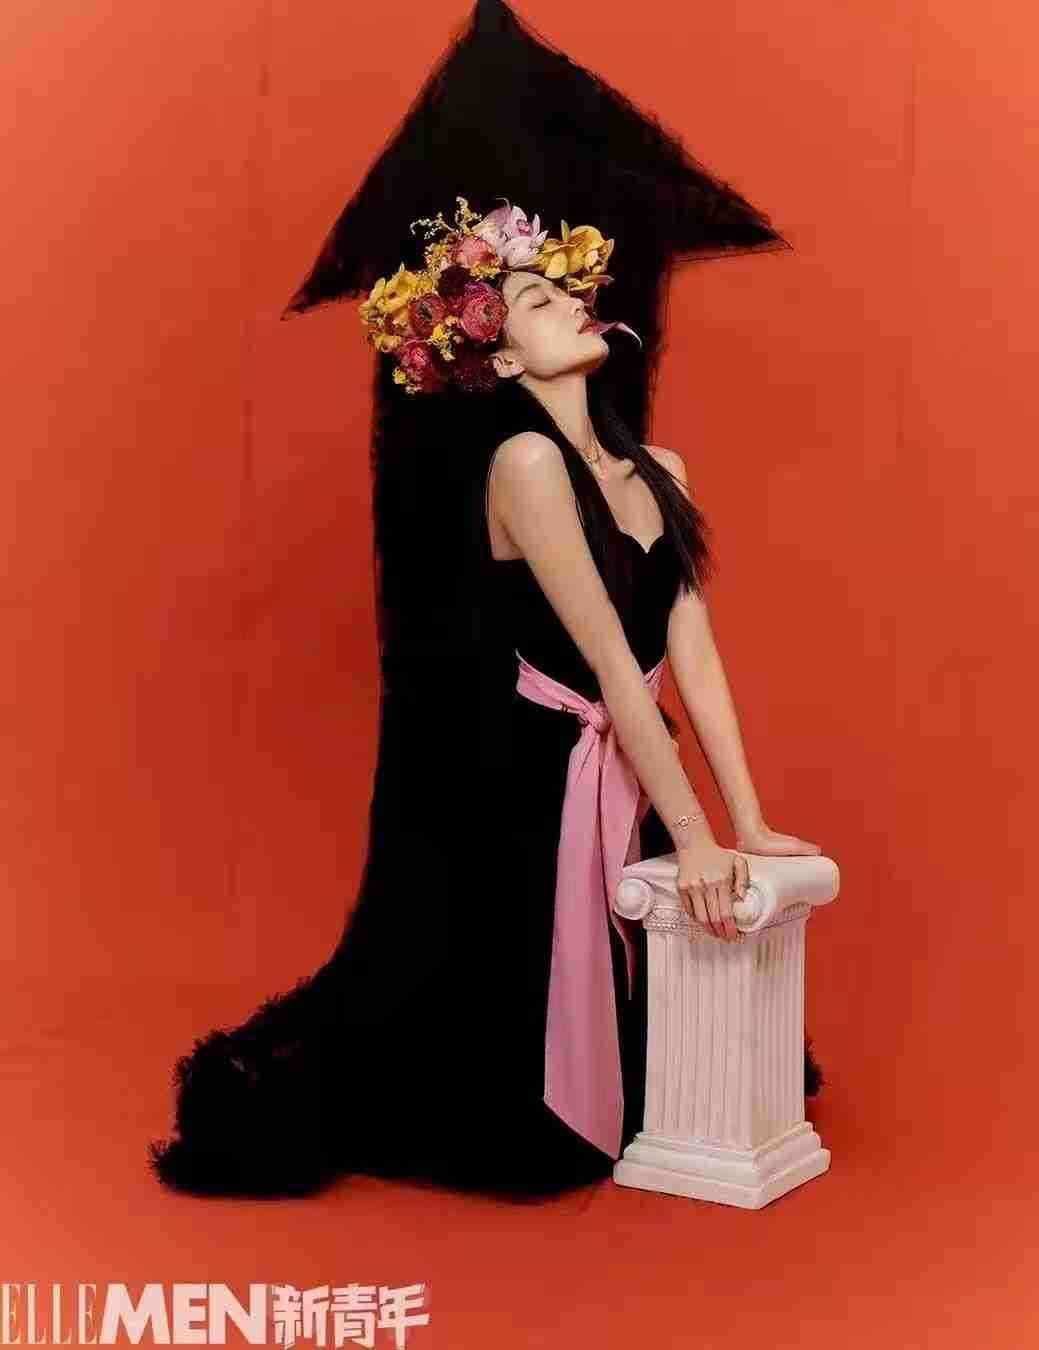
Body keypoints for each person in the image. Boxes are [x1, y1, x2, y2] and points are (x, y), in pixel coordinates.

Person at [147, 0, 825, 1201]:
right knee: (527, 1107)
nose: (569, 300)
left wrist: (749, 820)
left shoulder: (661, 471)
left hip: (629, 754)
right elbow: (608, 666)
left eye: (567, 289)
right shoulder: (522, 465)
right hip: (526, 775)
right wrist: (695, 835)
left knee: (683, 1013)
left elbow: (691, 656)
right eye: (536, 302)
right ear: (502, 358)